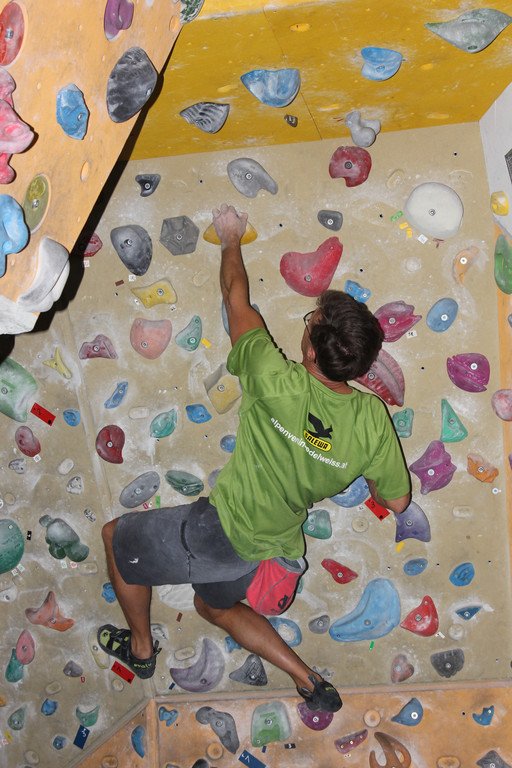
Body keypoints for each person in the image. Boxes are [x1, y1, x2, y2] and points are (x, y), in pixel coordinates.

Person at [98, 203, 411, 712]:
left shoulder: (272, 376)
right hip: (274, 544)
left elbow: (234, 297)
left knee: (116, 537)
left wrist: (230, 238)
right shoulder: (372, 420)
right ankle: (307, 679)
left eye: (311, 320)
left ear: (311, 351)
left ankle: (140, 649)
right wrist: (357, 470)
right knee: (210, 606)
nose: (307, 324)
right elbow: (396, 501)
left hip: (223, 532)